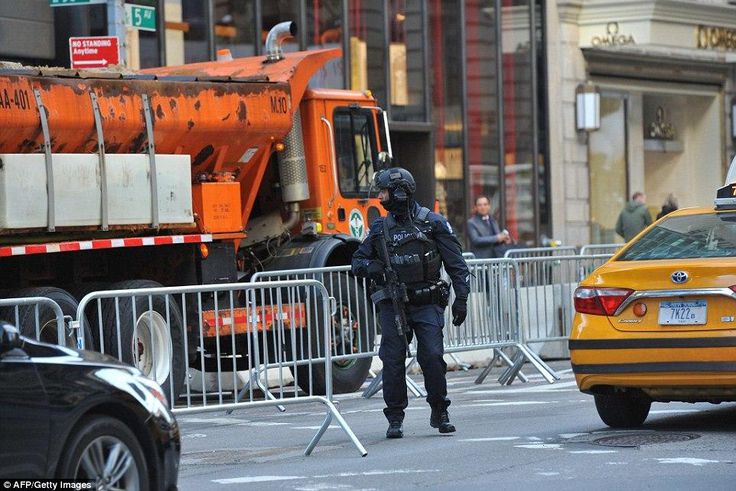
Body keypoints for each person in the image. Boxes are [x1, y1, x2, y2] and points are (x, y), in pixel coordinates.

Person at [352, 167, 470, 439]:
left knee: (432, 356)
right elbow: (358, 260)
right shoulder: (380, 228)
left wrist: (461, 298)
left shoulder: (433, 223)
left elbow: (456, 264)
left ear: (400, 193)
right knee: (392, 360)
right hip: (393, 304)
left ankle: (440, 411)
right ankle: (395, 417)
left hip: (427, 301)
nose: (381, 198)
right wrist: (374, 268)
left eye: (385, 192)